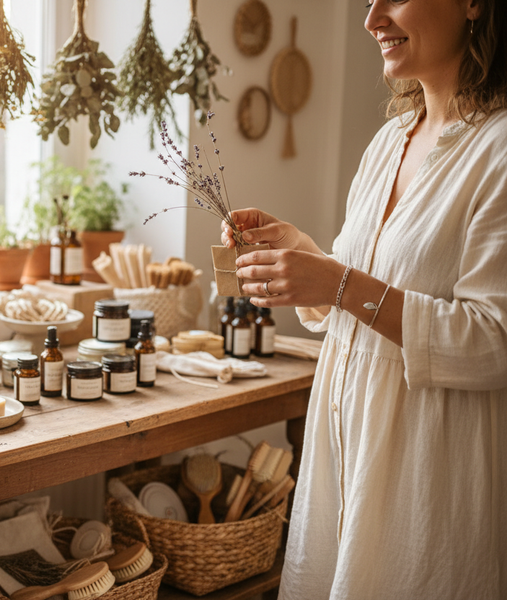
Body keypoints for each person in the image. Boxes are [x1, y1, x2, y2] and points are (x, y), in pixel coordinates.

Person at [221, 0, 507, 598]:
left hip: (427, 468)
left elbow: (492, 342)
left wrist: (336, 284)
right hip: (345, 451)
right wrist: (303, 253)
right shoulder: (388, 143)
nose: (372, 18)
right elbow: (369, 290)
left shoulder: (498, 152)